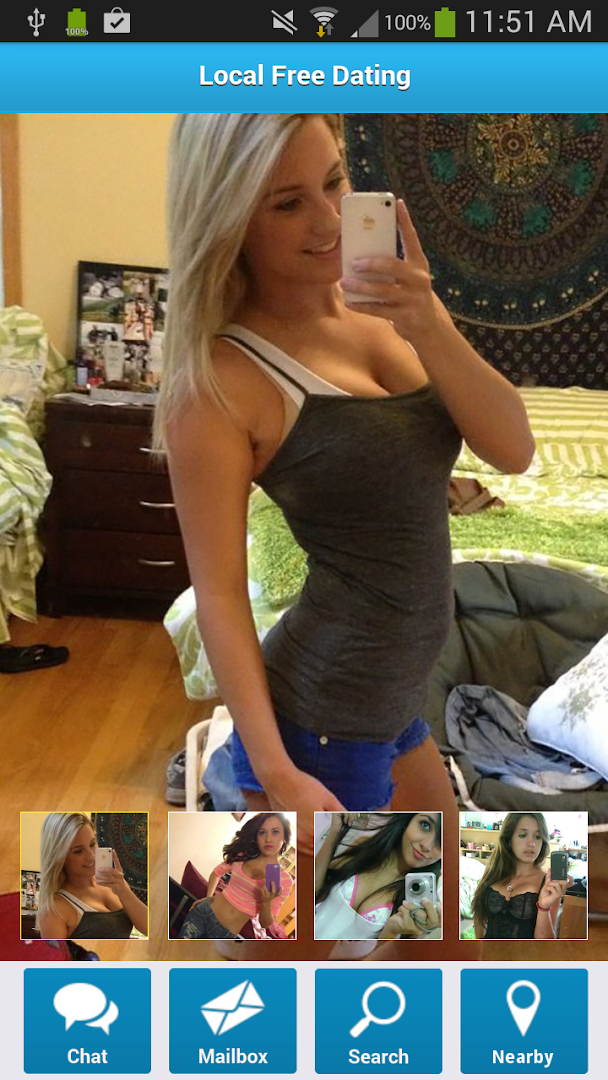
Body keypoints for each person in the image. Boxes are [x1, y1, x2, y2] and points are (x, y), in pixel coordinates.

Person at [157, 113, 533, 958]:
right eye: (287, 203)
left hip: (393, 708)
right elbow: (219, 596)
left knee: (448, 936)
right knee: (293, 985)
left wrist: (428, 316)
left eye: (334, 182)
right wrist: (277, 772)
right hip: (320, 724)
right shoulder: (219, 382)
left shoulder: (390, 308)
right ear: (229, 218)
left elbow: (513, 448)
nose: (330, 221)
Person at [315, 812, 441, 940]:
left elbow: (389, 952)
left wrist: (404, 934)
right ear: (409, 820)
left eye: (441, 840)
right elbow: (314, 894)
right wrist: (334, 833)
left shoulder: (425, 903)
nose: (427, 845)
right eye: (425, 825)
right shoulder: (367, 849)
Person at [178, 812, 293, 939]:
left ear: (285, 838)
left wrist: (266, 902)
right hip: (202, 913)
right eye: (262, 832)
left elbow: (265, 924)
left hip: (224, 935)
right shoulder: (242, 856)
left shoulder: (285, 881)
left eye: (275, 832)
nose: (268, 839)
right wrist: (208, 897)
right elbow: (216, 873)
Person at [36, 813, 148, 939]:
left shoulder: (112, 883)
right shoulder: (54, 910)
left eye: (92, 844)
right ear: (59, 856)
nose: (91, 856)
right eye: (78, 851)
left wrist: (123, 890)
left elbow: (149, 928)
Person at [471, 813, 573, 940]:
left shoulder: (549, 885)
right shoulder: (494, 874)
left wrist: (543, 907)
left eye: (537, 837)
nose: (531, 843)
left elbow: (545, 942)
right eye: (522, 835)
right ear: (509, 839)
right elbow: (479, 918)